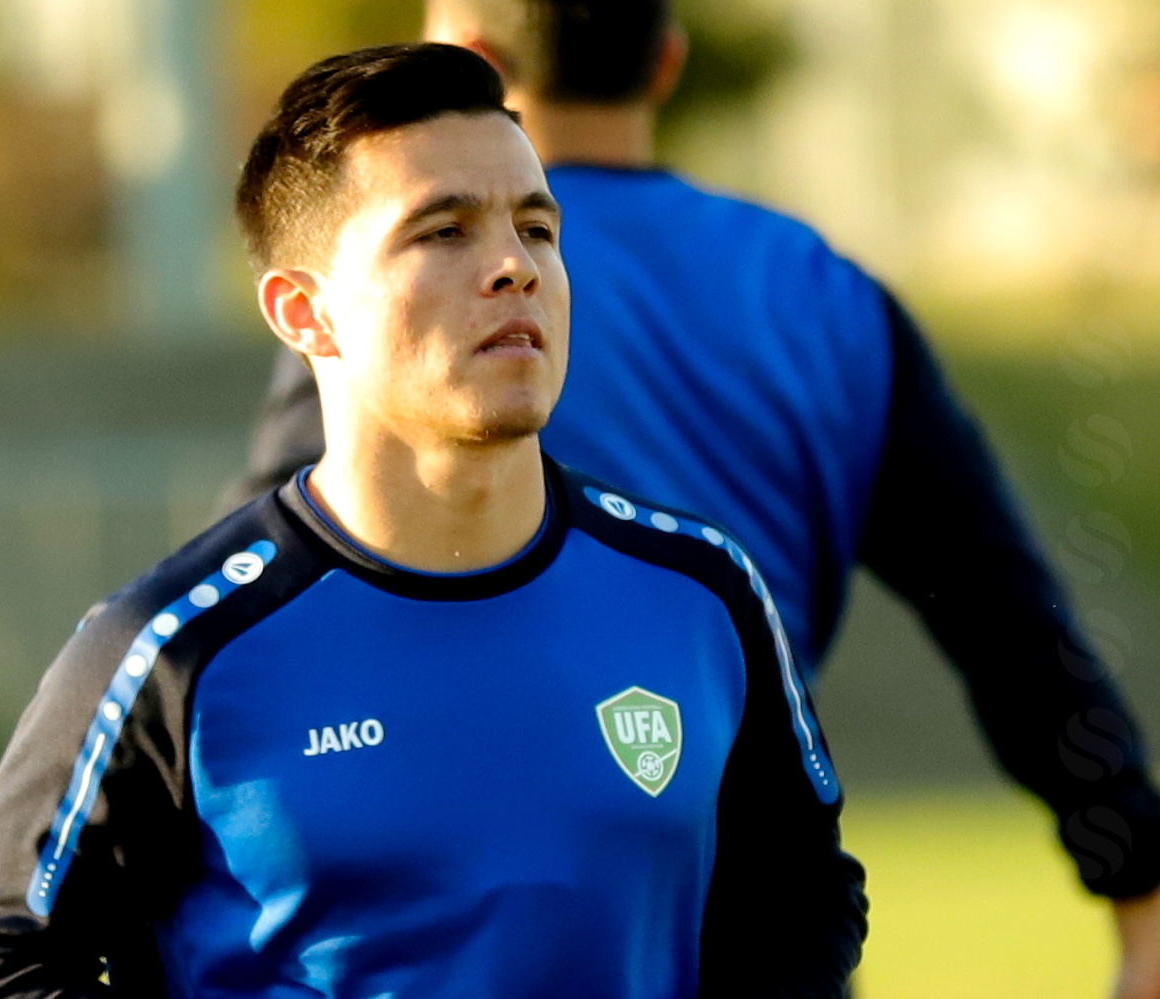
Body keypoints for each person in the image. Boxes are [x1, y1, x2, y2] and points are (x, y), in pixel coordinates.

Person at [223, 1, 1160, 994]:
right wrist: (1137, 875)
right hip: (766, 901)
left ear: (472, 60)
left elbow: (262, 607)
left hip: (492, 916)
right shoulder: (822, 291)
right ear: (666, 63)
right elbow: (1007, 620)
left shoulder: (410, 294)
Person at [0, 43, 866, 999]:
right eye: (443, 232)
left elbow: (802, 889)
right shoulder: (173, 650)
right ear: (303, 312)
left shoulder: (701, 590)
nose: (514, 266)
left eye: (536, 228)